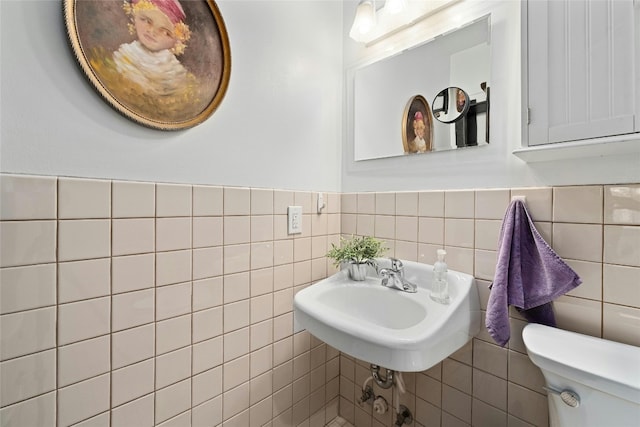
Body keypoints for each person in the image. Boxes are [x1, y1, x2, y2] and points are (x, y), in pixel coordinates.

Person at [90, 0, 200, 122]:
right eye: (147, 21)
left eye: (166, 32)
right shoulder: (122, 57)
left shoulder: (177, 75)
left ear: (177, 41)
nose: (152, 32)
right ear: (135, 16)